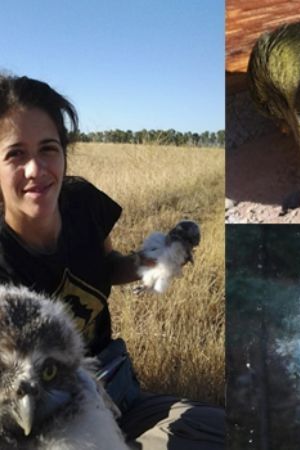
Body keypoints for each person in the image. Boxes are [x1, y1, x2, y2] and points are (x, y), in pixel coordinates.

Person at [0, 74, 225, 449]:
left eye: (48, 148)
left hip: (121, 391)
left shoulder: (82, 203)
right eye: (15, 153)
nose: (36, 169)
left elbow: (107, 266)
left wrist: (148, 263)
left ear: (65, 154)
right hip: (46, 425)